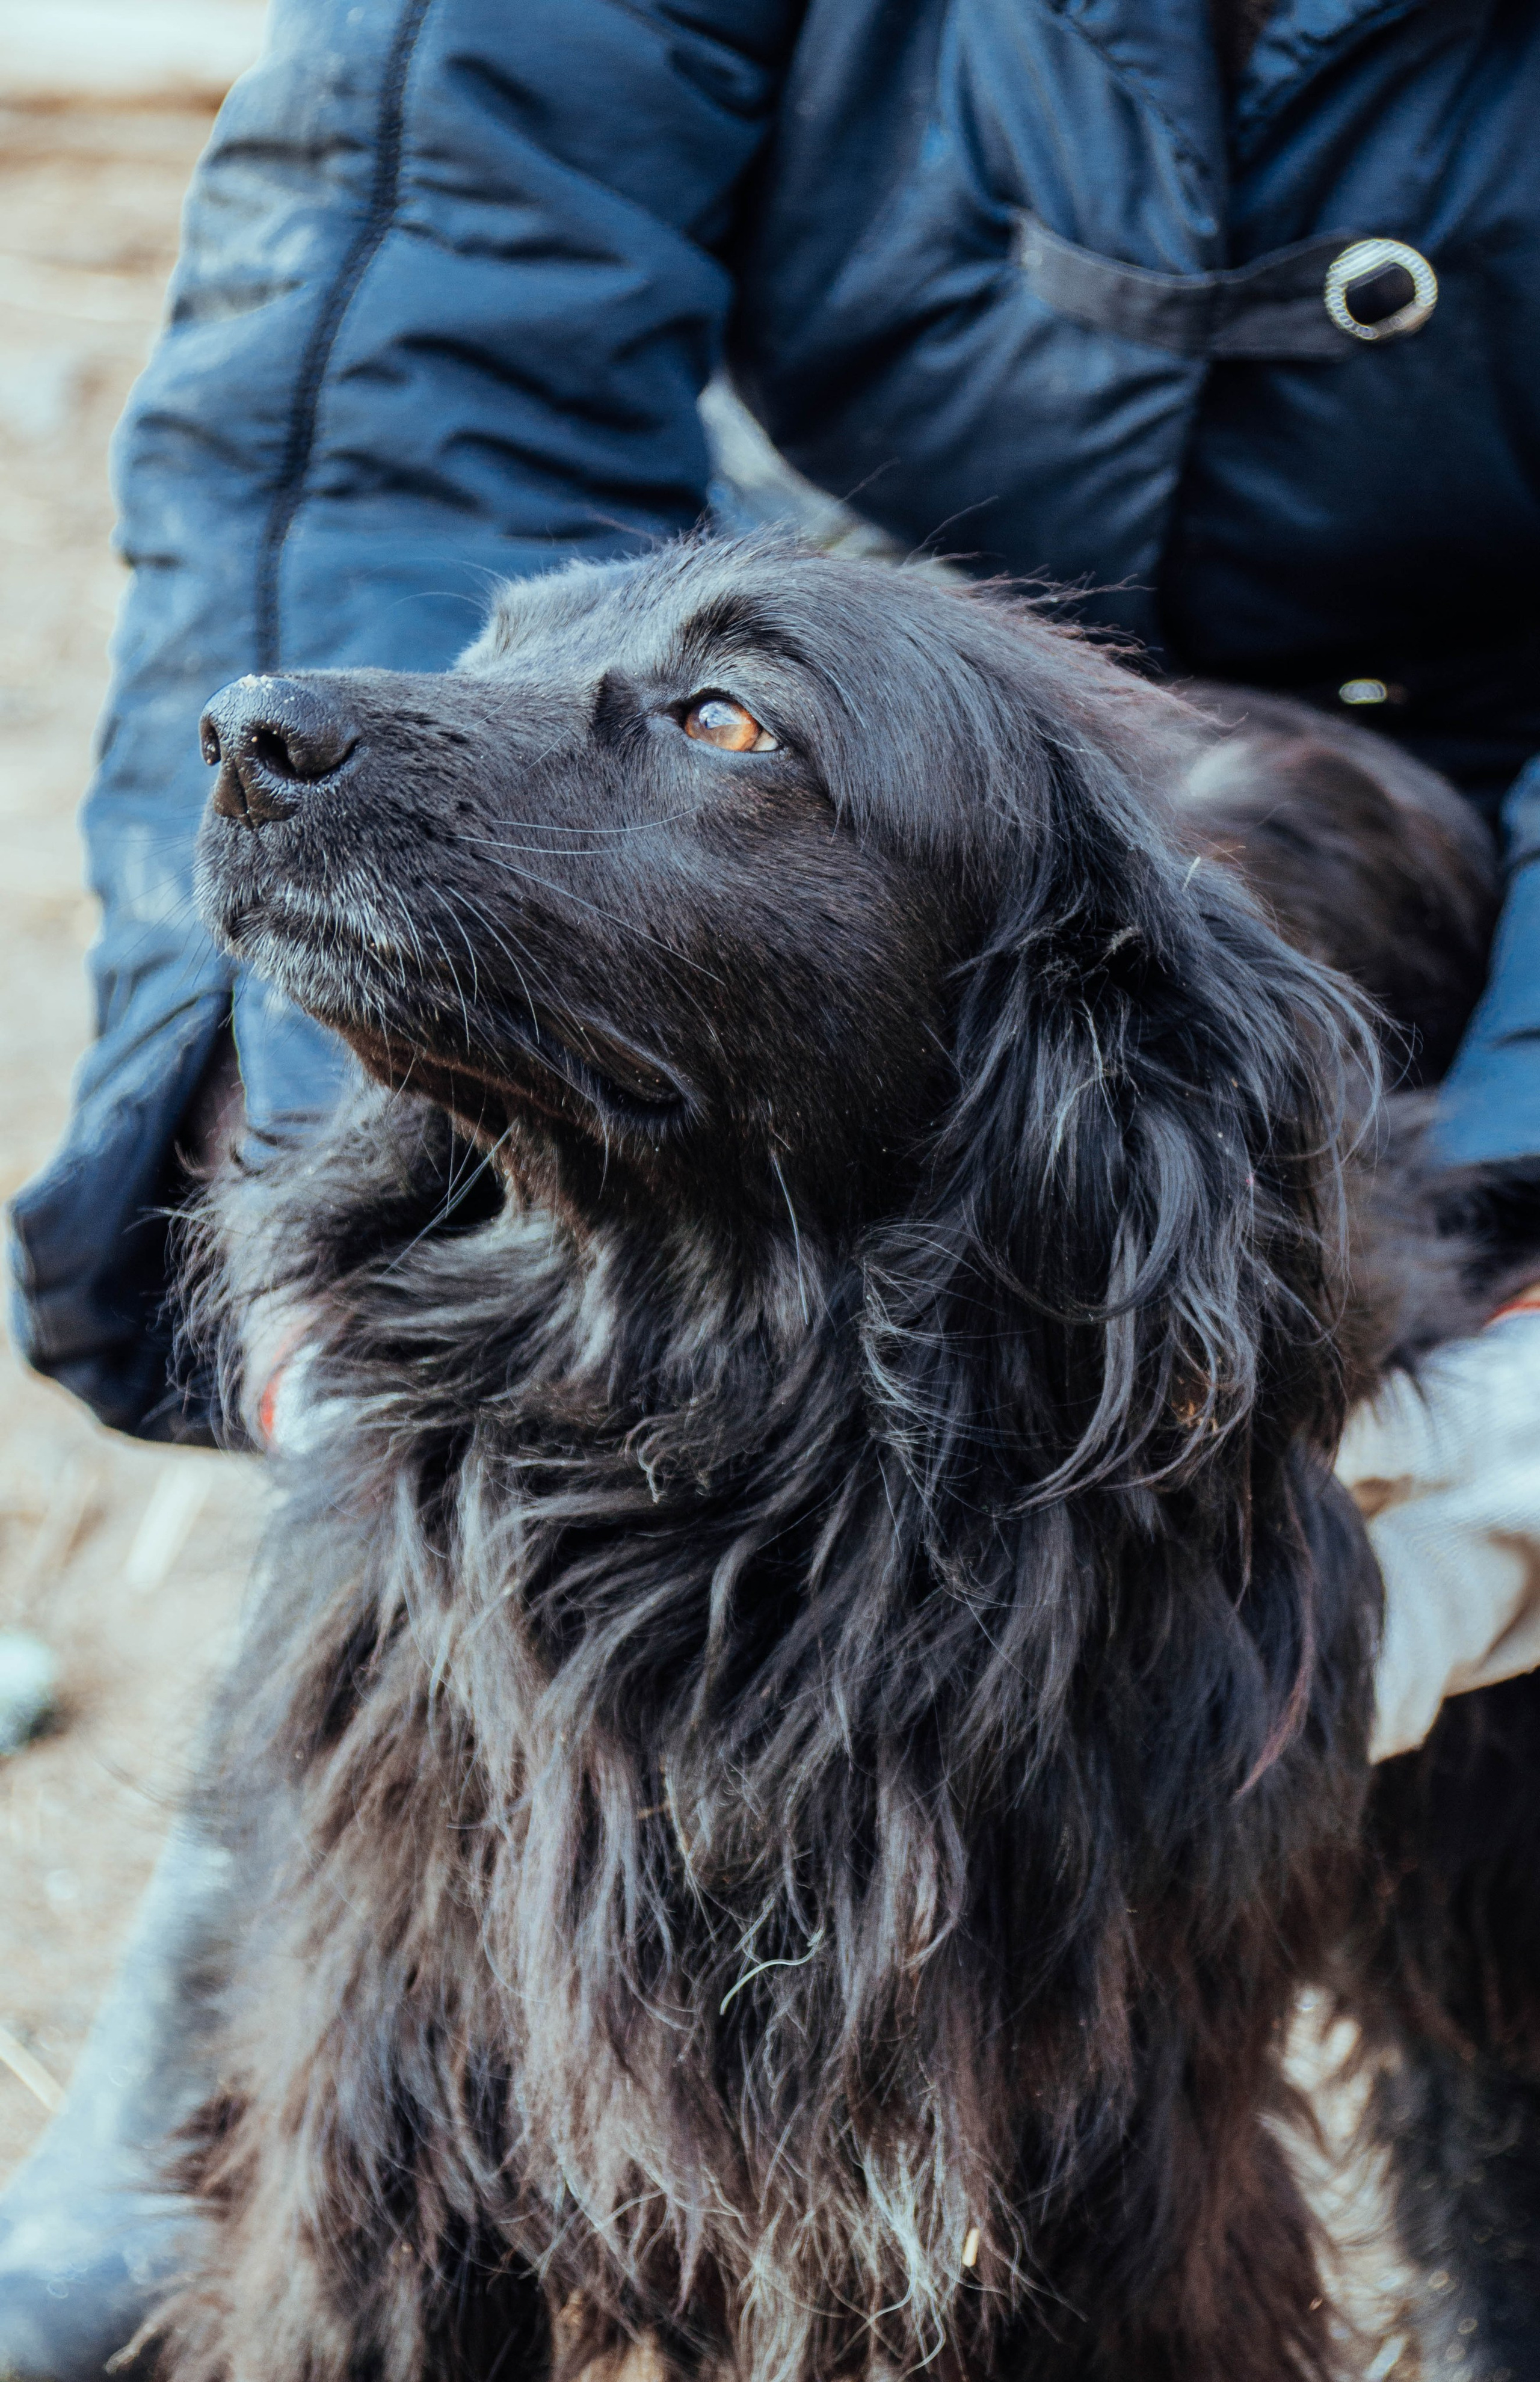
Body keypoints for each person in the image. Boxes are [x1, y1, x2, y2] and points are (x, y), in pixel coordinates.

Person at [4, 0, 1540, 2371]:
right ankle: (328, 1962)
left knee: (1455, 1830)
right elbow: (415, 297)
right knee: (423, 1620)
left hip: (1419, 861)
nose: (264, 734)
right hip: (814, 625)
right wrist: (330, 1129)